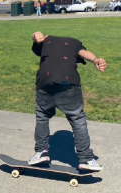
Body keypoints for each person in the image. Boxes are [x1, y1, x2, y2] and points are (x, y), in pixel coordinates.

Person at [28, 31, 106, 171]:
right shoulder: (75, 44)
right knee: (77, 118)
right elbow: (83, 53)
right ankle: (86, 159)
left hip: (46, 81)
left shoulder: (46, 42)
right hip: (69, 83)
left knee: (42, 116)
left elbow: (37, 42)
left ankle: (40, 152)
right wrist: (96, 60)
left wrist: (35, 38)